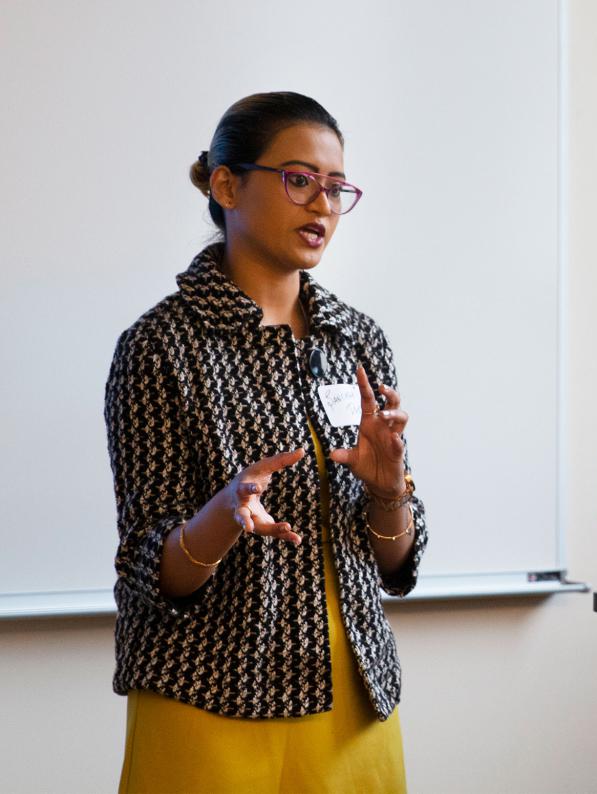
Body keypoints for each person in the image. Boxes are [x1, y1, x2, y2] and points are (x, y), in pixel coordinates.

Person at [103, 91, 427, 793]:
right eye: (299, 179)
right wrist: (222, 518)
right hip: (209, 702)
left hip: (352, 700)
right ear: (227, 185)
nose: (322, 205)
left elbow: (397, 564)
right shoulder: (161, 347)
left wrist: (388, 491)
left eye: (337, 188)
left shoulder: (359, 340)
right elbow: (146, 572)